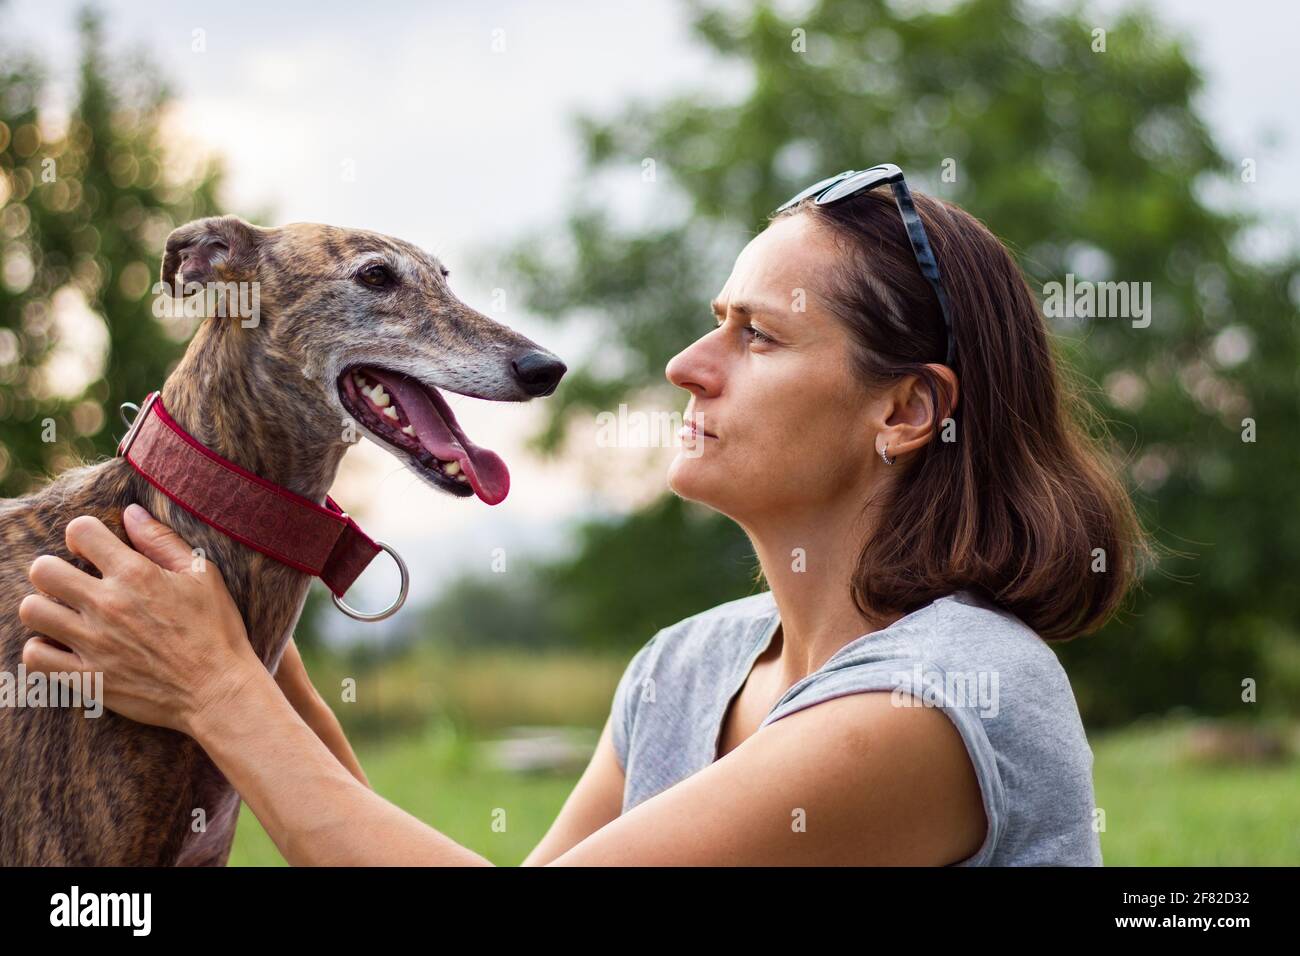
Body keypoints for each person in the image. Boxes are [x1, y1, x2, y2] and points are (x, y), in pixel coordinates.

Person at [19, 167, 1151, 865]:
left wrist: (220, 688)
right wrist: (257, 656)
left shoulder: (943, 696)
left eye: (754, 335)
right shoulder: (685, 668)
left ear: (906, 411)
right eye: (713, 320)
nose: (684, 364)